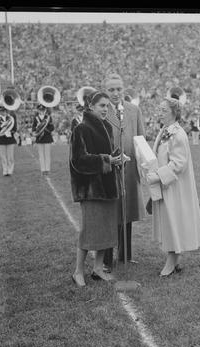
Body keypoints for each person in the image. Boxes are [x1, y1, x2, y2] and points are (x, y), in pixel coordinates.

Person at [146, 97, 200, 276]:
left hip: (174, 186)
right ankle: (176, 258)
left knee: (172, 221)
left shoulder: (178, 134)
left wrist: (158, 175)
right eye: (159, 109)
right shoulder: (165, 130)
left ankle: (171, 261)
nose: (160, 112)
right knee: (170, 220)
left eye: (163, 110)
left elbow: (179, 163)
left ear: (174, 112)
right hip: (167, 185)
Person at [69, 91, 122, 287]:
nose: (105, 109)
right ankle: (78, 271)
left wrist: (117, 158)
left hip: (108, 186)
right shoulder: (81, 128)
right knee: (90, 231)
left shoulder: (107, 126)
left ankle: (98, 269)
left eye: (107, 106)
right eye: (102, 106)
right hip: (90, 189)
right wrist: (107, 159)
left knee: (106, 231)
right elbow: (78, 161)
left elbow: (107, 154)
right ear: (91, 106)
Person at [103, 73, 146, 271]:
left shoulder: (133, 110)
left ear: (124, 89)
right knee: (110, 213)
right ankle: (106, 258)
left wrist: (143, 167)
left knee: (127, 211)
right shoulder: (101, 110)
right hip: (108, 168)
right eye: (111, 89)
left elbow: (141, 140)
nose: (115, 93)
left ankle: (125, 255)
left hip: (129, 170)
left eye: (118, 89)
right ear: (105, 90)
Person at [0, 105, 17, 176]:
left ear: (6, 111)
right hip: (1, 139)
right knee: (3, 156)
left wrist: (10, 132)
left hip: (10, 139)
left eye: (3, 111)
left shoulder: (11, 118)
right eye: (0, 111)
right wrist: (2, 128)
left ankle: (10, 170)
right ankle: (5, 170)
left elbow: (14, 128)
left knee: (10, 156)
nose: (2, 112)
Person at [32, 104, 55, 175]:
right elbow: (33, 128)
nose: (41, 111)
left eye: (42, 110)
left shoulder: (48, 117)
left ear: (45, 110)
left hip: (47, 138)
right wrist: (37, 130)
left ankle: (47, 169)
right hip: (39, 138)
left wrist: (45, 129)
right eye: (40, 110)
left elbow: (52, 128)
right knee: (41, 155)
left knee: (47, 154)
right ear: (38, 110)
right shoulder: (36, 118)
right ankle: (43, 169)